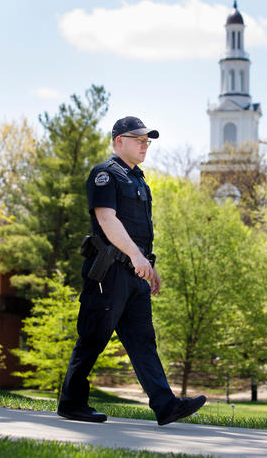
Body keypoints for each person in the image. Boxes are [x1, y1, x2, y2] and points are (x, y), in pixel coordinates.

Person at [57, 116, 206, 425]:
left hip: (136, 274)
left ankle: (165, 405)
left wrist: (149, 266)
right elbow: (107, 220)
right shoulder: (105, 175)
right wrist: (138, 258)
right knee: (93, 337)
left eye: (147, 141)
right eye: (138, 140)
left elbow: (140, 230)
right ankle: (71, 403)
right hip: (110, 273)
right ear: (118, 141)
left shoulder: (138, 180)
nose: (144, 146)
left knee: (143, 341)